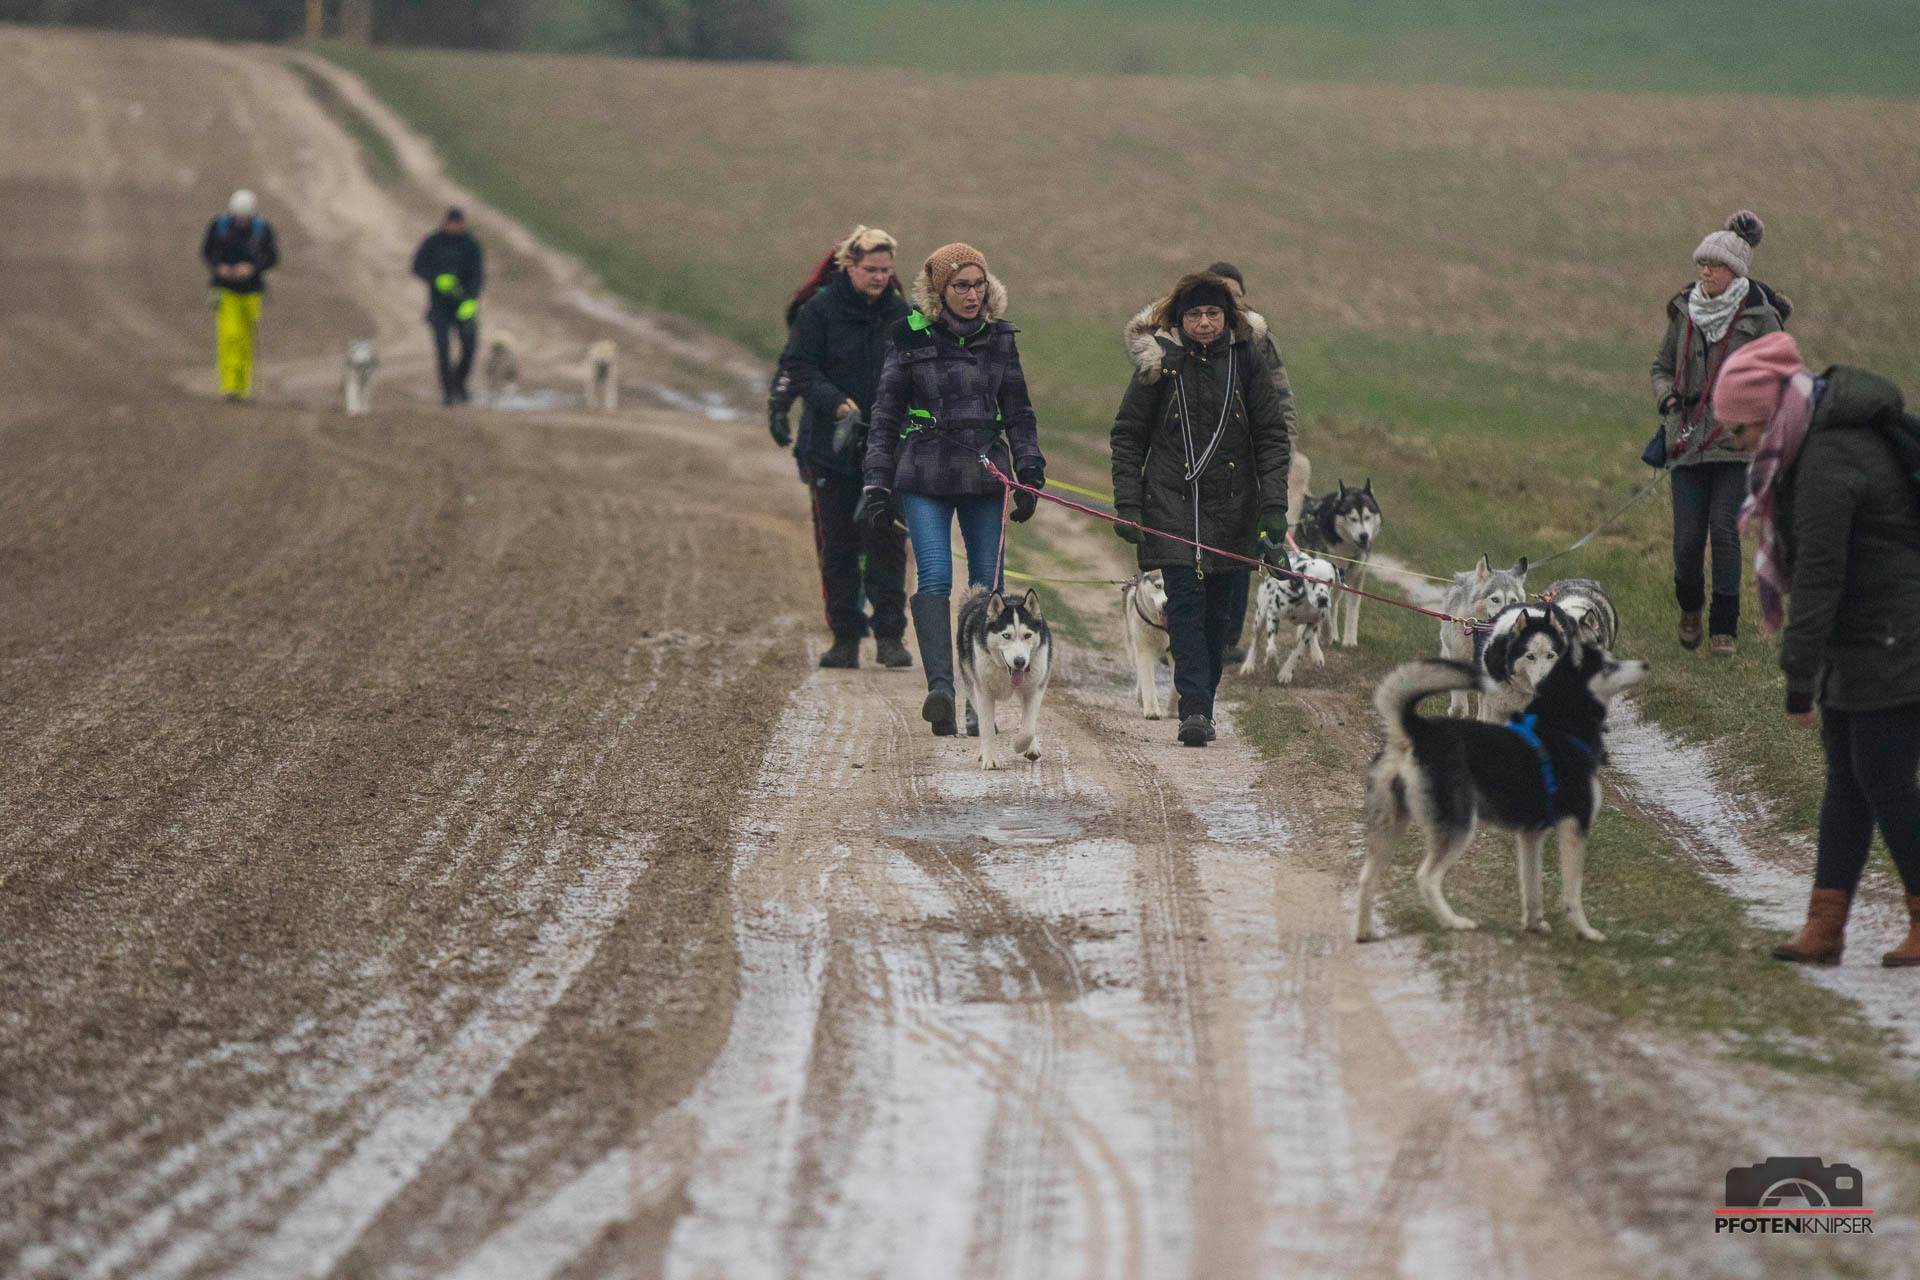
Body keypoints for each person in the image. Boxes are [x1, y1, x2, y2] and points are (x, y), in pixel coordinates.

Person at [1711, 332, 1920, 968]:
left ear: (1766, 411)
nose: (1737, 444)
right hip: (1861, 635)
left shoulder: (1829, 458)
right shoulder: (1807, 445)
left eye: (1739, 430)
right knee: (1848, 780)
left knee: (1882, 776)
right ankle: (1824, 926)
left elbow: (1820, 575)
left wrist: (1798, 675)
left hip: (1894, 632)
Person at [863, 243, 1044, 736]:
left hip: (985, 475)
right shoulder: (909, 337)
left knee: (988, 589)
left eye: (978, 284)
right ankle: (941, 689)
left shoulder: (1000, 337)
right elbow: (885, 416)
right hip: (925, 472)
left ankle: (977, 700)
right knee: (936, 578)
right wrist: (876, 481)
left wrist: (1030, 473)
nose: (971, 294)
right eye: (961, 285)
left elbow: (1020, 412)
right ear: (939, 290)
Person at [1110, 272, 1293, 747]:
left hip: (1234, 507)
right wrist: (1129, 504)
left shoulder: (1247, 359)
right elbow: (1128, 435)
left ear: (1227, 317)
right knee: (1186, 610)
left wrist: (1274, 507)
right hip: (1171, 505)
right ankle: (1194, 709)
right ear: (1179, 318)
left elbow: (1272, 437)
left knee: (1219, 619)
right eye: (1194, 314)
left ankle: (1202, 703)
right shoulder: (1159, 362)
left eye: (1213, 313)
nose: (1205, 323)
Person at [1651, 210, 1787, 656]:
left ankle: (1724, 629)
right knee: (1687, 541)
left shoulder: (1762, 319)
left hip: (1737, 447)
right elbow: (1661, 368)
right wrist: (1667, 398)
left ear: (1736, 272)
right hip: (1686, 442)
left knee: (1725, 533)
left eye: (1714, 265)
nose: (1705, 271)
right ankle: (1689, 608)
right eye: (1702, 264)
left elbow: (1782, 378)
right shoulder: (1683, 312)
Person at [783, 226, 913, 669]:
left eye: (886, 270)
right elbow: (799, 365)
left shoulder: (902, 315)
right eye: (871, 269)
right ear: (850, 266)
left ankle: (890, 636)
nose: (880, 277)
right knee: (837, 546)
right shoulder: (819, 310)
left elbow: (919, 370)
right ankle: (845, 638)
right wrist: (834, 401)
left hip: (886, 451)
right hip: (830, 450)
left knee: (887, 543)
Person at [1203, 261, 1300, 665]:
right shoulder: (1185, 338)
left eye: (1235, 295)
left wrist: (1282, 457)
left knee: (1241, 553)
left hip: (1246, 467)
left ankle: (1227, 638)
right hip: (1197, 467)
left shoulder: (1259, 341)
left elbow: (1282, 401)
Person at [200, 189, 279, 402]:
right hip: (224, 290)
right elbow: (207, 252)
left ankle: (243, 388)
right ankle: (229, 386)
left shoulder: (262, 230)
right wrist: (219, 268)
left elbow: (272, 257)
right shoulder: (219, 226)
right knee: (229, 336)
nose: (242, 220)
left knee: (245, 340)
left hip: (251, 293)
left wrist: (252, 268)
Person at [411, 207, 485, 406]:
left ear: (462, 224)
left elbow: (478, 274)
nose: (453, 227)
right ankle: (448, 391)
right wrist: (436, 279)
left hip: (463, 304)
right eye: (450, 223)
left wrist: (471, 299)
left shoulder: (471, 245)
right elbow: (417, 266)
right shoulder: (433, 242)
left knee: (469, 347)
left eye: (457, 224)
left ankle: (460, 383)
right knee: (443, 351)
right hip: (439, 306)